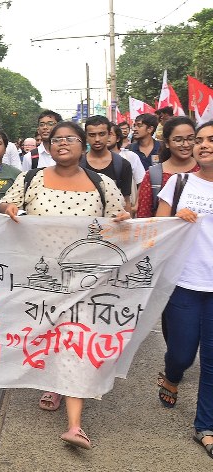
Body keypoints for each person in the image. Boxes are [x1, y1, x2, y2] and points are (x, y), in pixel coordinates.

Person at [0, 122, 129, 450]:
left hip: (86, 280)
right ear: (48, 145)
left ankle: (74, 424)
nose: (62, 144)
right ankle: (52, 381)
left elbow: (120, 222)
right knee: (50, 335)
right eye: (55, 139)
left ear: (83, 145)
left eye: (70, 138)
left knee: (76, 343)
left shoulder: (103, 184)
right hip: (40, 279)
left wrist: (124, 222)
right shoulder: (31, 179)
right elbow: (6, 204)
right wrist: (8, 208)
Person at [154, 120, 213, 460]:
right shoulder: (179, 183)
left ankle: (205, 426)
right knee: (182, 353)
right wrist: (176, 218)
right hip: (185, 284)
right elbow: (158, 231)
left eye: (208, 140)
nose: (202, 145)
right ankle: (172, 375)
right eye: (199, 140)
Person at [136, 117, 199, 219]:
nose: (186, 144)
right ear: (166, 143)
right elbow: (144, 219)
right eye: (178, 140)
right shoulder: (153, 175)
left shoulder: (204, 169)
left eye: (191, 139)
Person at [82, 115, 134, 213]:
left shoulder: (123, 165)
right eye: (92, 135)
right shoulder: (78, 164)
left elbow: (126, 200)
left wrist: (127, 225)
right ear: (86, 136)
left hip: (114, 222)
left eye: (101, 134)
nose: (97, 139)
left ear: (109, 135)